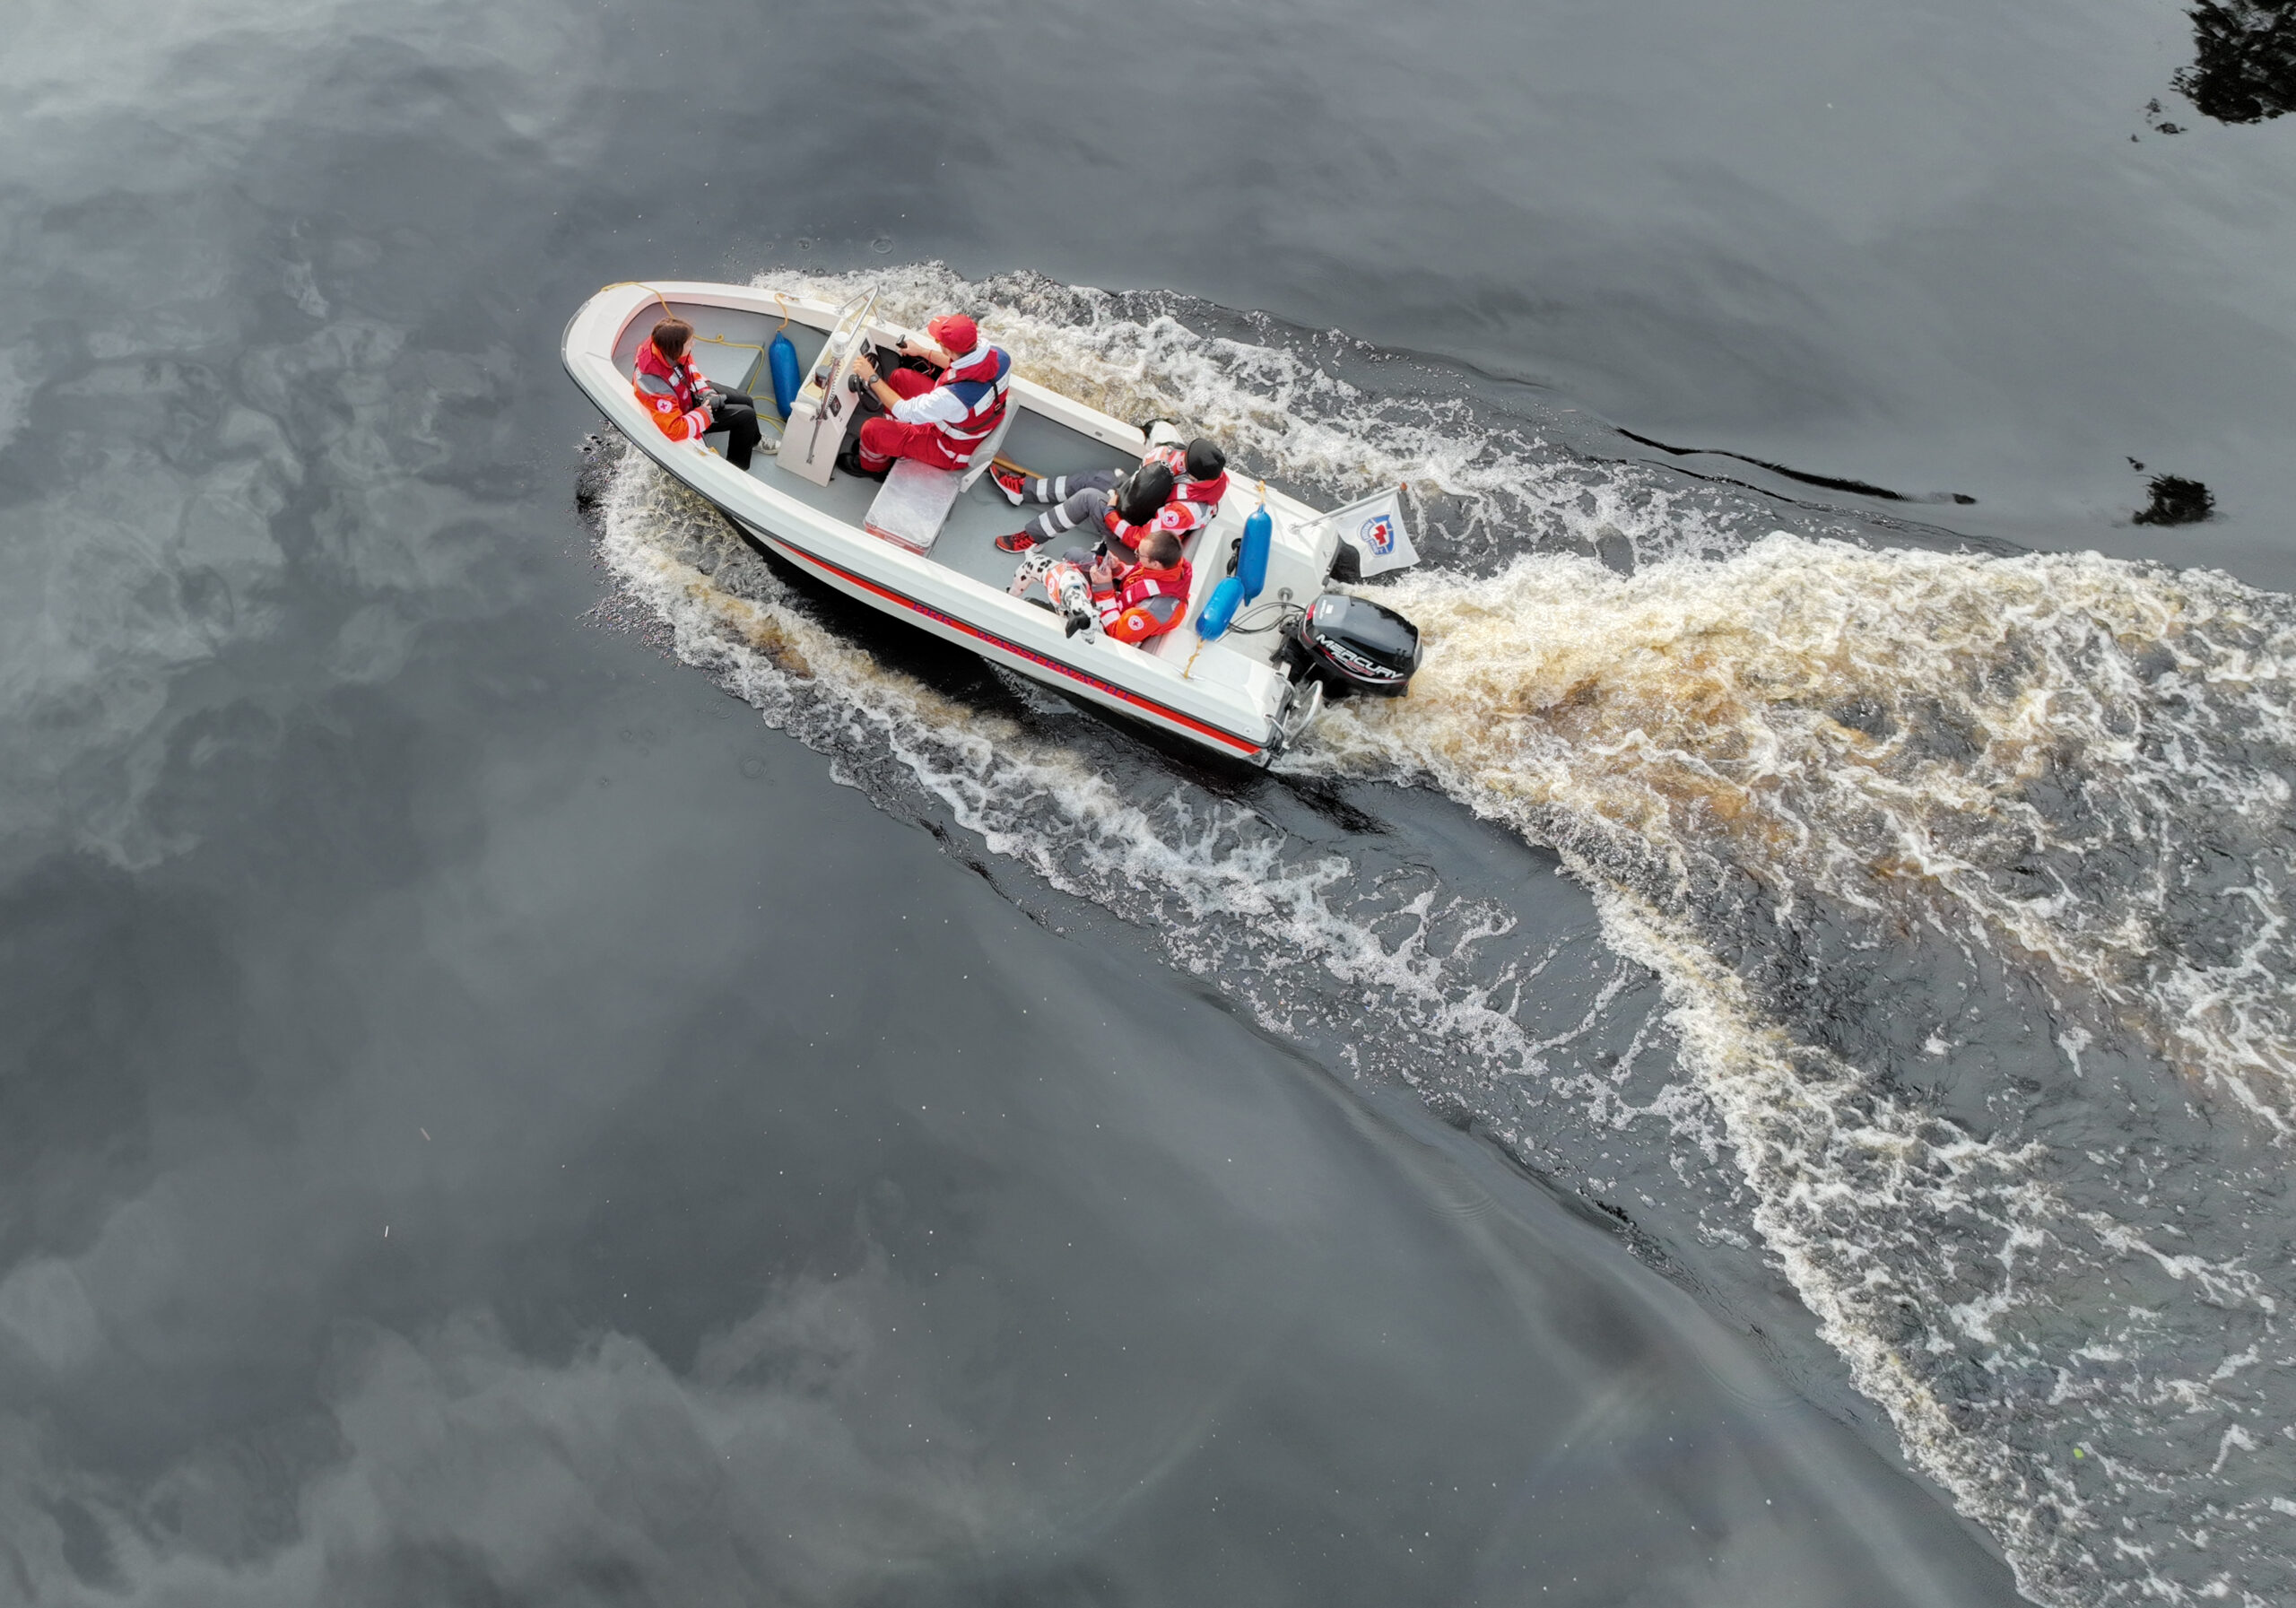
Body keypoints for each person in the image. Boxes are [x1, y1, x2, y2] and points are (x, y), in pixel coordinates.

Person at [992, 429, 1229, 556]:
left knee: (1087, 498)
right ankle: (1025, 491)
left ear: (1194, 475)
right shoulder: (1206, 472)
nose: (1181, 456)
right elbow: (1165, 440)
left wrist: (1109, 512)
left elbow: (1142, 541)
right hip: (1133, 500)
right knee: (1092, 479)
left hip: (1130, 533)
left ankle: (1033, 538)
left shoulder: (1183, 511)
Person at [841, 314, 1012, 476]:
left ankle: (874, 467)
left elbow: (904, 410)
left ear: (949, 350)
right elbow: (958, 363)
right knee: (900, 378)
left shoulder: (952, 398)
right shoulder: (1000, 357)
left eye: (939, 341)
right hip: (965, 422)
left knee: (871, 430)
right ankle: (891, 443)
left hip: (950, 447)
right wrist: (922, 351)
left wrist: (871, 377)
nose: (937, 343)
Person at [632, 317, 761, 471]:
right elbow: (674, 430)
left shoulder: (667, 347)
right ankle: (736, 470)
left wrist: (706, 393)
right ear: (676, 348)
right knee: (746, 416)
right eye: (689, 343)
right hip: (683, 411)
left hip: (689, 393)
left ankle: (755, 441)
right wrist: (704, 413)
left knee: (746, 399)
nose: (693, 344)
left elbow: (690, 367)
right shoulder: (655, 384)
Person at [1079, 528, 1196, 645]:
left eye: (1139, 554)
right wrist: (1117, 568)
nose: (1136, 555)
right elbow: (1140, 579)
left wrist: (1103, 589)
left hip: (1115, 629)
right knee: (1077, 556)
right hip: (1119, 604)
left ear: (1155, 563)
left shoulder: (1152, 610)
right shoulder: (1169, 567)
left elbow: (1116, 633)